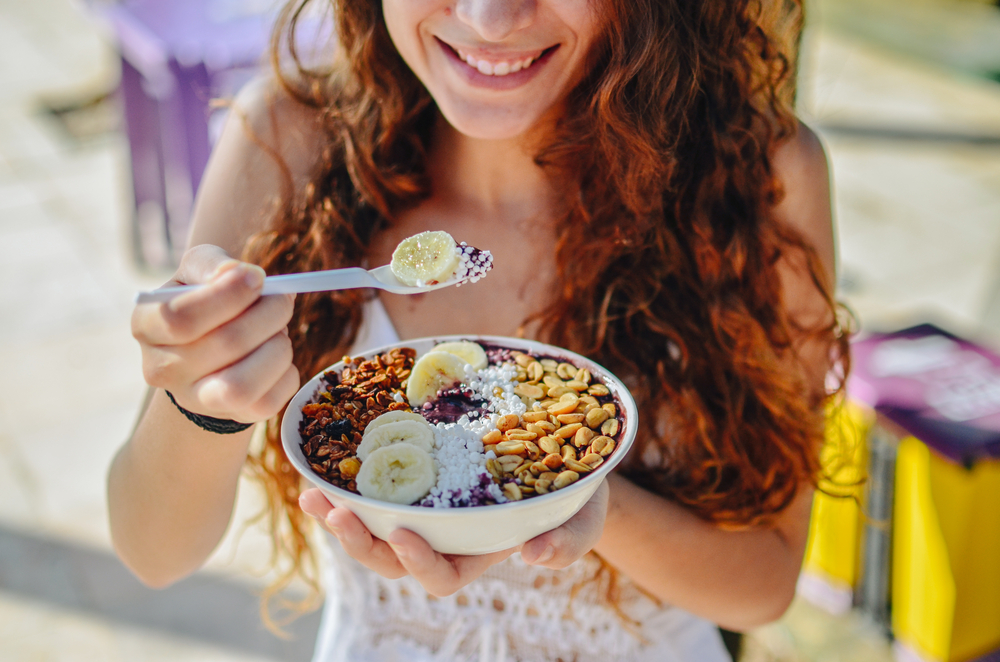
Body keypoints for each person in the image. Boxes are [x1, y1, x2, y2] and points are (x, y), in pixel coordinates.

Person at [108, 0, 850, 660]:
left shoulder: (760, 178)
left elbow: (763, 585)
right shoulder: (290, 139)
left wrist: (577, 498)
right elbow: (153, 552)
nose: (491, 18)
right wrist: (199, 399)